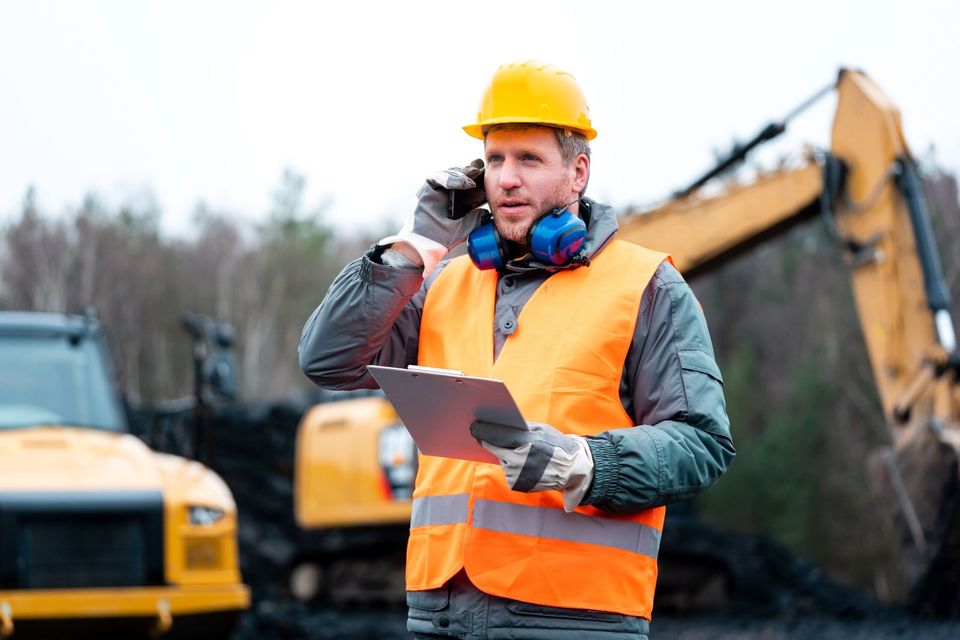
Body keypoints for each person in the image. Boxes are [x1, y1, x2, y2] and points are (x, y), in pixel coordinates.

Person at [299, 60, 735, 640]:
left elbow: (702, 443)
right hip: (441, 616)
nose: (506, 178)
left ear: (578, 173)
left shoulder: (647, 286)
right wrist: (416, 246)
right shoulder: (441, 283)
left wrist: (585, 463)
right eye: (495, 159)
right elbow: (327, 360)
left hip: (574, 620)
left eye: (529, 159)